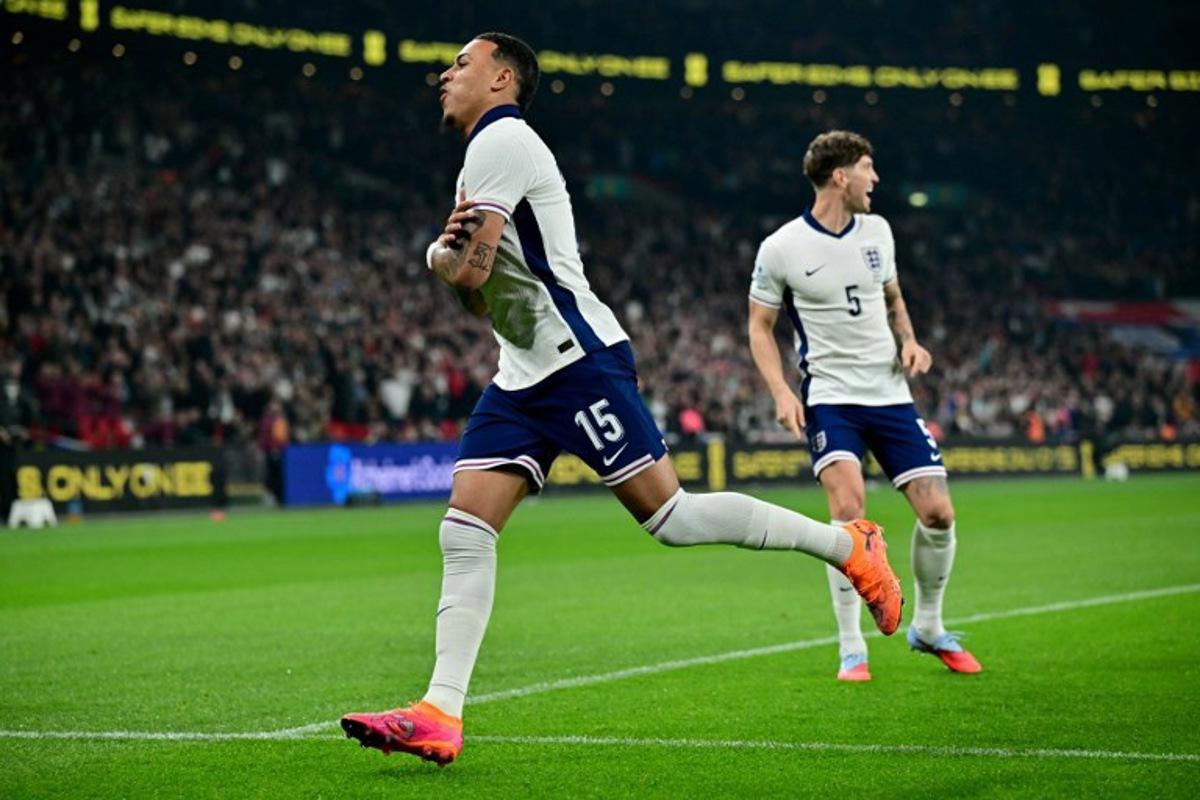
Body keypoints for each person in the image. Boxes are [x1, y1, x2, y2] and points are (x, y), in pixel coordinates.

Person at [340, 34, 904, 766]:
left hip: (578, 363)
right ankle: (441, 712)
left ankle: (849, 545)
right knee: (464, 531)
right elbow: (480, 303)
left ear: (502, 78)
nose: (445, 75)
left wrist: (441, 260)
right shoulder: (479, 160)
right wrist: (449, 264)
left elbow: (470, 272)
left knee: (672, 517)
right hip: (522, 374)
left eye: (462, 64)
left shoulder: (502, 140)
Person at [746, 130, 983, 683]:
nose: (876, 180)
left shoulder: (878, 231)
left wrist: (910, 340)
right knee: (849, 512)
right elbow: (759, 326)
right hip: (830, 396)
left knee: (939, 514)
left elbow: (893, 298)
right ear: (840, 176)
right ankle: (851, 645)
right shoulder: (781, 247)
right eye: (868, 169)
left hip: (890, 394)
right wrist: (782, 391)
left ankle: (927, 625)